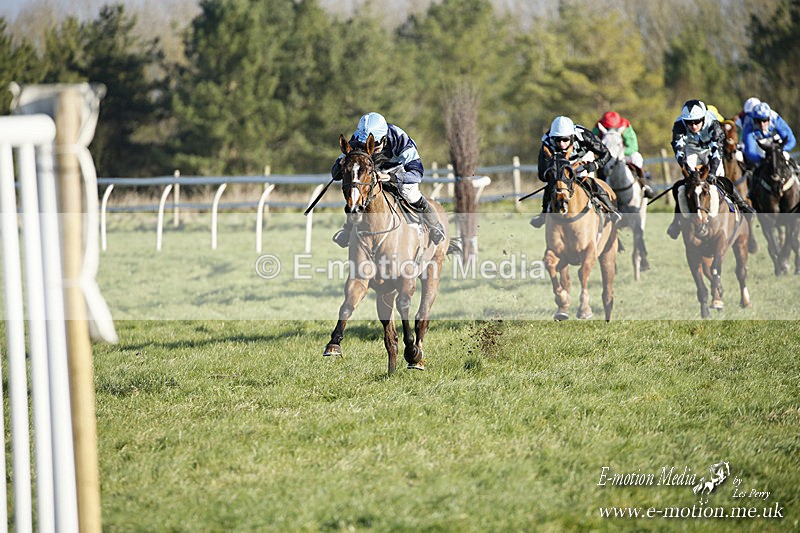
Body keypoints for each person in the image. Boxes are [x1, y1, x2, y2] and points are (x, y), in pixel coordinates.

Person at [330, 112, 445, 247]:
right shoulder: (357, 139)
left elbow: (417, 173)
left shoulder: (400, 139)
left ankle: (434, 225)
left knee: (410, 193)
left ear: (384, 138)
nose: (371, 150)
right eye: (365, 144)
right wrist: (341, 165)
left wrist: (392, 177)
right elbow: (335, 175)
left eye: (375, 144)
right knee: (358, 192)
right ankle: (349, 228)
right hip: (371, 169)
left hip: (398, 169)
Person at [666, 99, 755, 239]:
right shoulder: (679, 125)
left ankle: (742, 205)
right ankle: (676, 221)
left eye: (697, 121)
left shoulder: (713, 123)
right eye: (689, 122)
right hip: (691, 151)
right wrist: (688, 170)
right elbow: (679, 151)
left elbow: (717, 150)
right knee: (687, 184)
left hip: (710, 150)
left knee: (720, 178)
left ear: (703, 118)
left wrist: (712, 172)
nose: (693, 126)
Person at [530, 116, 620, 228]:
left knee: (588, 181)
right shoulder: (547, 142)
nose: (562, 144)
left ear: (572, 136)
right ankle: (544, 214)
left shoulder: (584, 135)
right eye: (558, 140)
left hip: (582, 160)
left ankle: (612, 210)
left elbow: (606, 153)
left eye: (565, 139)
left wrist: (595, 164)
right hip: (559, 165)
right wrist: (552, 174)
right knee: (553, 184)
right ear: (553, 137)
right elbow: (541, 174)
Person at [592, 110, 654, 198]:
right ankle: (596, 189)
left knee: (637, 157)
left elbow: (633, 146)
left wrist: (619, 153)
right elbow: (593, 144)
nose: (611, 129)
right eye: (608, 127)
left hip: (623, 154)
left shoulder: (626, 127)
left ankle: (644, 186)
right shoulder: (598, 127)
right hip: (606, 155)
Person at [742, 101, 797, 181]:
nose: (762, 124)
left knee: (786, 157)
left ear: (769, 118)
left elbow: (791, 140)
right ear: (753, 119)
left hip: (776, 145)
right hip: (760, 147)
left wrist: (778, 151)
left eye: (764, 120)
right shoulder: (748, 124)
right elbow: (750, 151)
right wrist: (763, 160)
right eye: (758, 121)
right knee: (755, 167)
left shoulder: (776, 119)